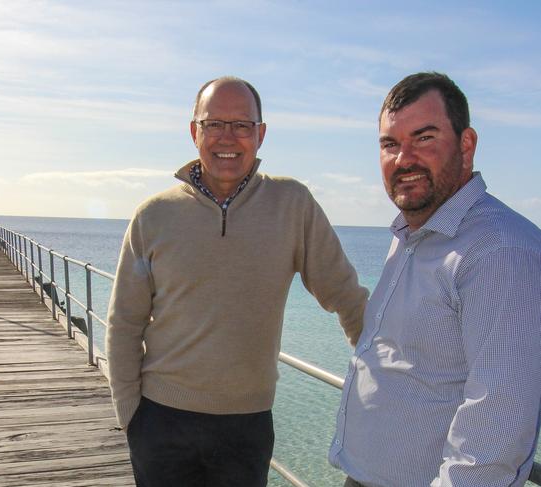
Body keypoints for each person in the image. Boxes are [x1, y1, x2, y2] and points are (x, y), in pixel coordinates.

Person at [106, 76, 369, 487]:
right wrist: (129, 414)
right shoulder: (152, 216)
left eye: (241, 125)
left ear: (260, 134)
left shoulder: (292, 205)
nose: (227, 137)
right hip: (161, 420)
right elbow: (124, 322)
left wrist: (386, 376)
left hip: (246, 427)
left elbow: (346, 297)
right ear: (194, 132)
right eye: (213, 124)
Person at [329, 72, 541, 486]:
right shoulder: (413, 234)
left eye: (424, 138)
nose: (403, 158)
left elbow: (496, 428)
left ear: (467, 145)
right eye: (390, 144)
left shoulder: (499, 251)